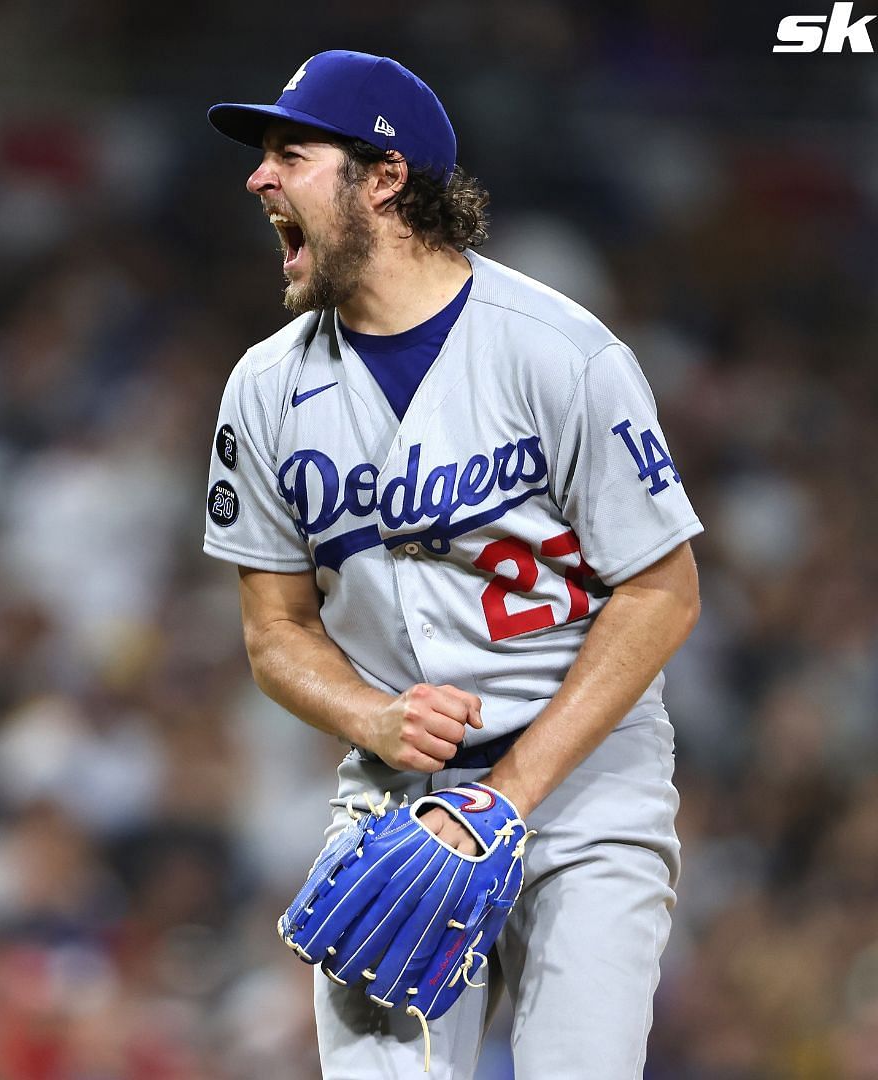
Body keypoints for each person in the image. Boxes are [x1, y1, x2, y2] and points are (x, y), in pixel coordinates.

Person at [200, 51, 701, 1075]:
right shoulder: (261, 389)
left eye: (290, 153)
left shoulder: (559, 352)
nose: (260, 179)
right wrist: (368, 717)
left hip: (582, 790)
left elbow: (664, 591)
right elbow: (276, 631)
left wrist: (507, 797)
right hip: (394, 797)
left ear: (383, 178)